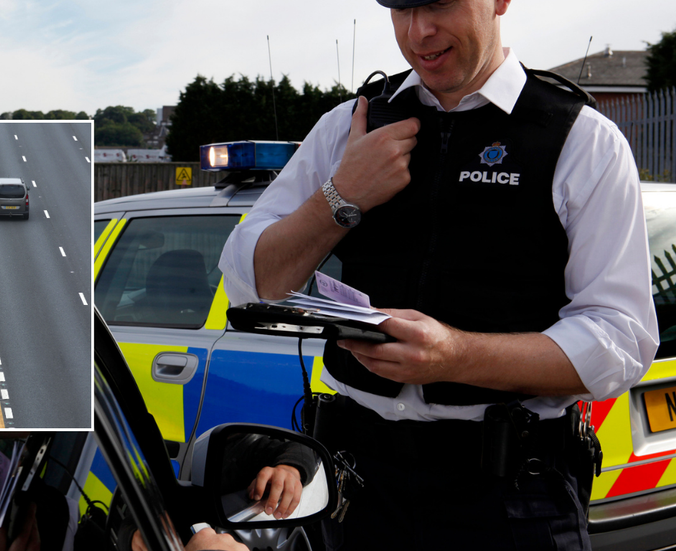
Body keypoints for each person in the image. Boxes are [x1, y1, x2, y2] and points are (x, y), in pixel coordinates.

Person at [218, 0, 659, 549]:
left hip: (511, 497)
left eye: (439, 4)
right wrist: (341, 196)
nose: (418, 31)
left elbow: (621, 340)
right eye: (400, 9)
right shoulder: (350, 125)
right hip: (355, 488)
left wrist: (455, 355)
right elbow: (251, 281)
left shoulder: (580, 139)